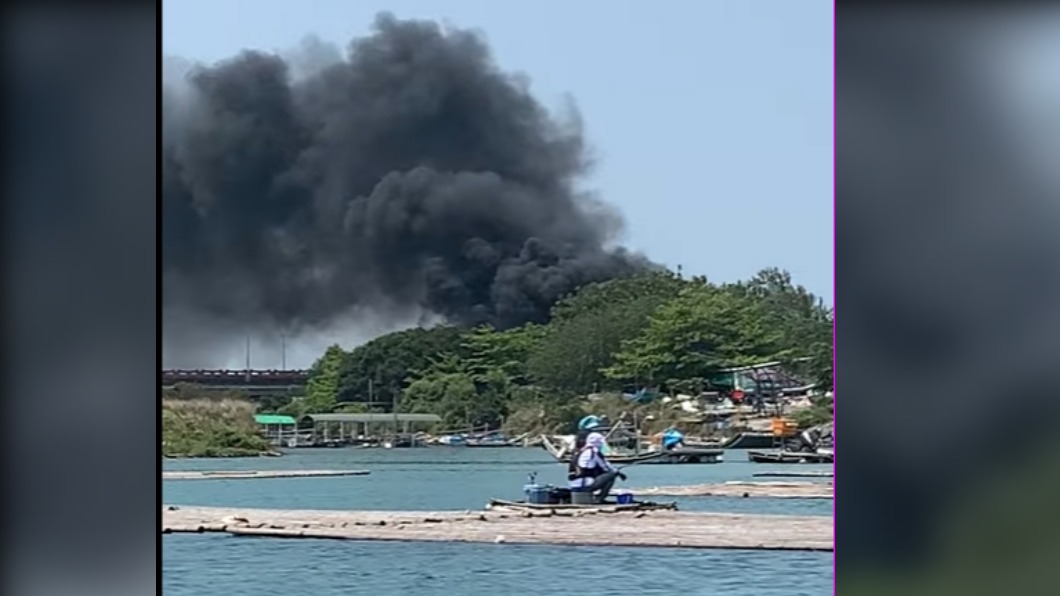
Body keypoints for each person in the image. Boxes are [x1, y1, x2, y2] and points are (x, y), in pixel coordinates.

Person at [568, 432, 626, 503]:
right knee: (612, 475)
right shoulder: (594, 452)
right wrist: (618, 473)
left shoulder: (580, 451)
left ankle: (597, 498)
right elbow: (605, 467)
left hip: (574, 485)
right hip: (584, 485)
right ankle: (599, 499)